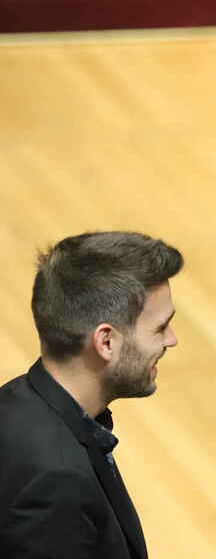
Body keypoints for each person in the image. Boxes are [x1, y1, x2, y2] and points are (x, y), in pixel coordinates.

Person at [0, 231, 183, 559]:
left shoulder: (12, 401)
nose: (172, 340)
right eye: (159, 328)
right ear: (106, 342)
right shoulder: (58, 485)